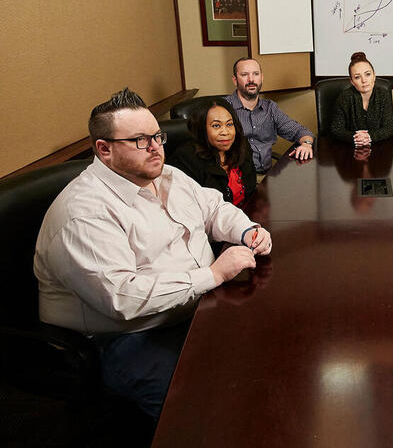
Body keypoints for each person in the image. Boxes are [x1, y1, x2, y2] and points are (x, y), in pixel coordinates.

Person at [33, 89, 273, 419]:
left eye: (157, 137)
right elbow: (123, 299)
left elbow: (213, 208)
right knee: (204, 409)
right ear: (104, 150)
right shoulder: (83, 213)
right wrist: (213, 274)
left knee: (263, 358)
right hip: (129, 336)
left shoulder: (166, 175)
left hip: (194, 306)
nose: (156, 148)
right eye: (140, 141)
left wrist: (246, 231)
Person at [226, 57, 314, 173]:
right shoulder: (224, 109)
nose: (251, 79)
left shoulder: (270, 108)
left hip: (266, 177)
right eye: (244, 75)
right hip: (237, 179)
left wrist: (306, 144)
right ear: (235, 80)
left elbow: (300, 131)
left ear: (261, 78)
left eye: (256, 74)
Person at [169, 98, 257, 207]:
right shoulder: (186, 159)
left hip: (244, 215)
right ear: (202, 128)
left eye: (229, 124)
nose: (225, 132)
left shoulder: (241, 146)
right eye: (216, 126)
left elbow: (252, 190)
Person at [329, 51, 393, 146]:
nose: (364, 80)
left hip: (379, 148)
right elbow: (336, 129)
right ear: (352, 81)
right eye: (357, 77)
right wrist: (354, 137)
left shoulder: (383, 95)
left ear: (374, 76)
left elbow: (389, 128)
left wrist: (370, 136)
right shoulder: (345, 97)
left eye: (367, 74)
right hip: (349, 149)